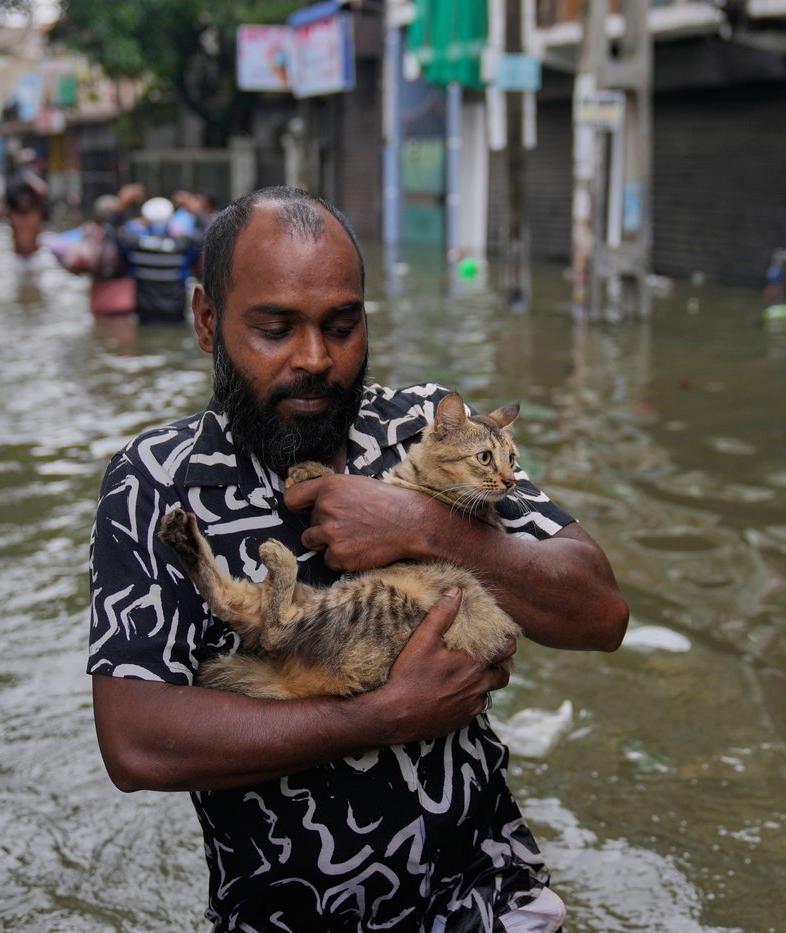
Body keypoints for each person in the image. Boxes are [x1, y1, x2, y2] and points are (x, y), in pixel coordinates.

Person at [88, 187, 629, 931]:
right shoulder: (156, 480)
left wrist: (428, 525)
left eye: (342, 325)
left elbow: (601, 612)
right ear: (207, 319)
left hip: (485, 895)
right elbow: (135, 741)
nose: (316, 358)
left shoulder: (429, 427)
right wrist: (383, 715)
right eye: (276, 328)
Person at [125, 195, 202, 324]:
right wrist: (196, 209)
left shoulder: (134, 244)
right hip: (175, 309)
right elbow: (207, 234)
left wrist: (123, 203)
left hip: (145, 311)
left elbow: (112, 232)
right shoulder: (183, 244)